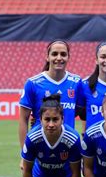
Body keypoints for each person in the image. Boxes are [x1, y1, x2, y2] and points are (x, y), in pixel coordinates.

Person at [19, 39, 83, 169]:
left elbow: (79, 113)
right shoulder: (33, 83)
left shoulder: (77, 82)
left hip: (67, 149)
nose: (59, 58)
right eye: (54, 54)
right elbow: (23, 119)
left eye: (63, 54)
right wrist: (24, 154)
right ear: (47, 57)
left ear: (68, 57)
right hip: (40, 150)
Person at [21, 94, 82, 177]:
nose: (51, 124)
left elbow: (76, 172)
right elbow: (26, 170)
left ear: (62, 119)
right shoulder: (32, 138)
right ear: (41, 119)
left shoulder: (73, 138)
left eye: (55, 119)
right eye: (47, 119)